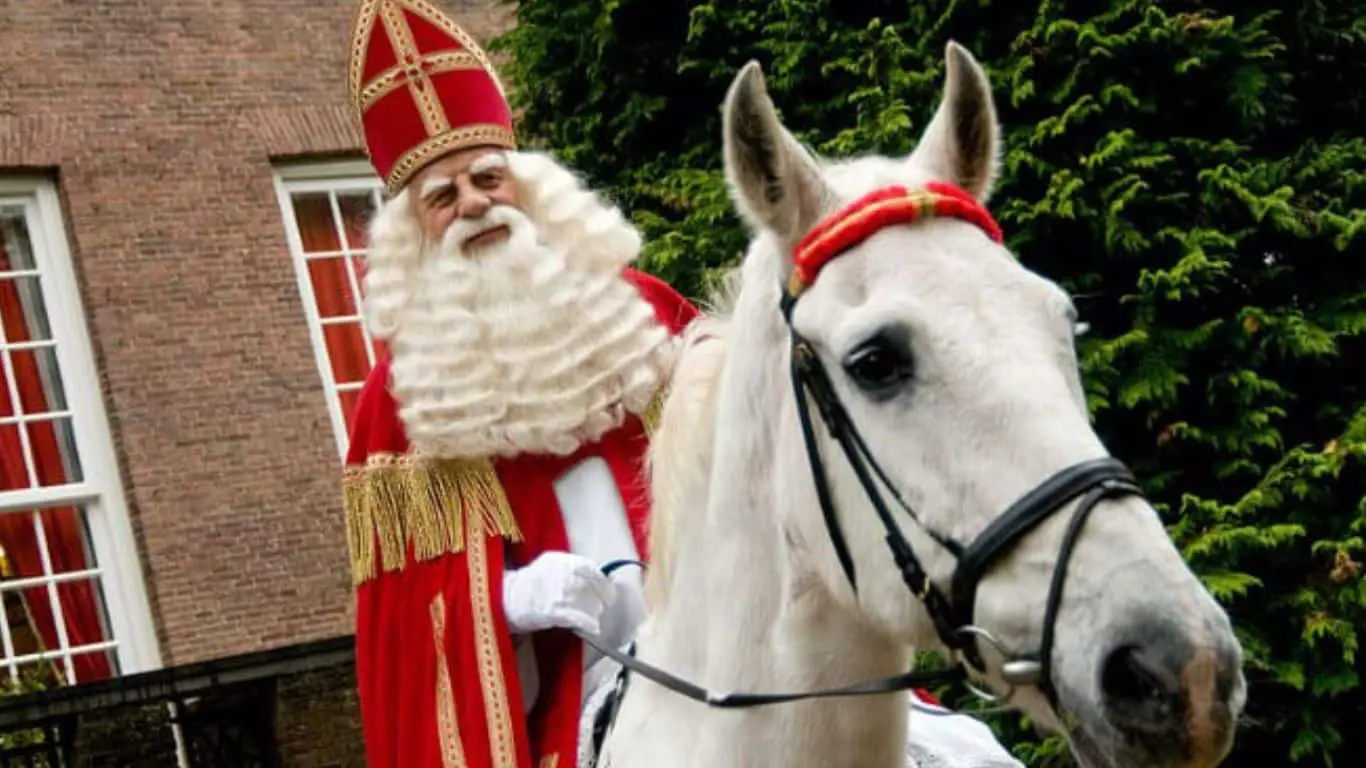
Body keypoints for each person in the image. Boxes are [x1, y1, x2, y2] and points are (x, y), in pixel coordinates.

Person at [340, 2, 1022, 767]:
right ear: (415, 227)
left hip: (730, 630)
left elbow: (762, 454)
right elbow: (405, 629)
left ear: (524, 185)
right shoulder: (401, 397)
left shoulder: (639, 309)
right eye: (443, 196)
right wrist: (511, 598)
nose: (473, 204)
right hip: (583, 686)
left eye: (488, 178)